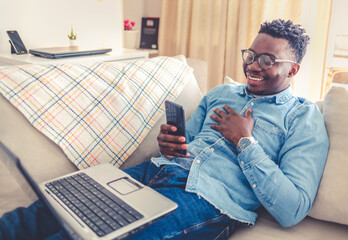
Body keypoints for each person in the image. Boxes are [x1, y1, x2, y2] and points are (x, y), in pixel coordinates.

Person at [0, 19, 329, 240]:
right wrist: (170, 145)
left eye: (268, 60)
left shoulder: (303, 118)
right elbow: (184, 146)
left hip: (207, 199)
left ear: (293, 69)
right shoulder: (219, 93)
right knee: (52, 206)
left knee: (90, 233)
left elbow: (293, 209)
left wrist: (245, 142)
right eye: (252, 55)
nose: (254, 66)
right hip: (153, 172)